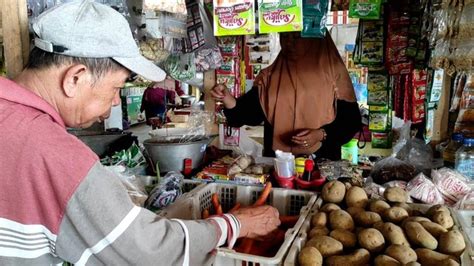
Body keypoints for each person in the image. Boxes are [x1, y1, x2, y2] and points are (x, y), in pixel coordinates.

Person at [0, 1, 280, 265]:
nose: (114, 102)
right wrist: (236, 224)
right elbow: (146, 252)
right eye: (117, 88)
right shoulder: (54, 154)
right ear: (76, 78)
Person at [211, 33, 362, 160]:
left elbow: (351, 121)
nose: (288, 42)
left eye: (296, 37)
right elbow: (248, 115)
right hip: (278, 167)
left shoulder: (334, 74)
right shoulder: (270, 76)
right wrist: (227, 98)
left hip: (322, 167)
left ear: (313, 37)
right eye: (284, 36)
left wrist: (321, 134)